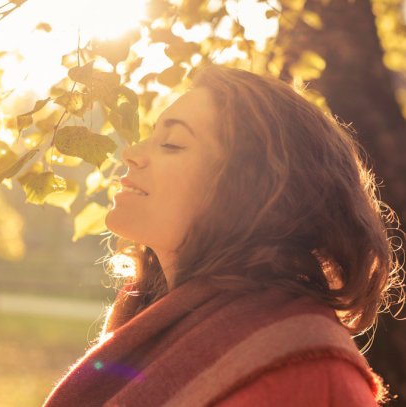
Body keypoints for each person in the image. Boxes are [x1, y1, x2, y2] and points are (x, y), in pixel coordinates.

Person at [43, 65, 403, 406]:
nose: (132, 153)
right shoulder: (145, 328)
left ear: (251, 187)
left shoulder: (306, 369)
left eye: (172, 143)